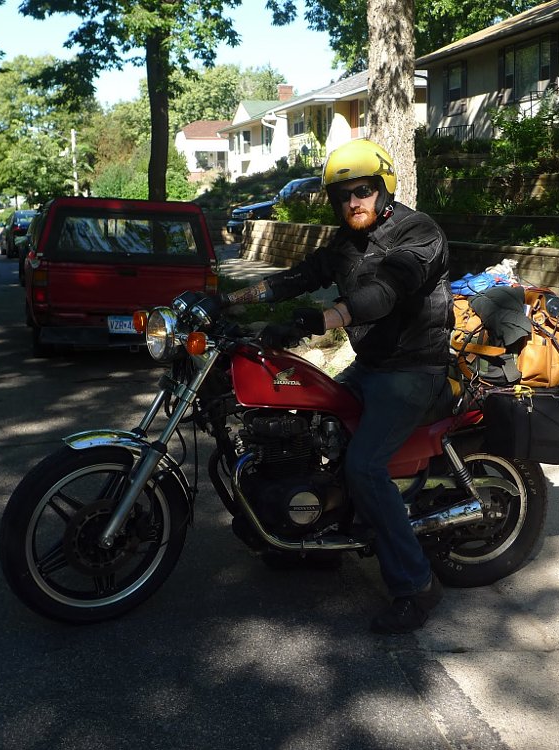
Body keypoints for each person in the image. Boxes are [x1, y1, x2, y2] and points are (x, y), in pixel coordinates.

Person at [224, 138, 454, 634]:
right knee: (313, 428)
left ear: (383, 188)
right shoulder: (347, 242)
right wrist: (232, 300)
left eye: (363, 191)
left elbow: (385, 292)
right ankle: (319, 532)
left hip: (416, 372)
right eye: (343, 195)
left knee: (365, 465)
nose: (353, 202)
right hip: (371, 366)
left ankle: (416, 586)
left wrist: (322, 319)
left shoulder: (419, 233)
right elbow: (298, 277)